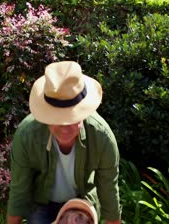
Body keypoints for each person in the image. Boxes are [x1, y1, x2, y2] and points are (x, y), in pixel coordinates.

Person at [7, 61, 122, 224]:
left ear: (84, 112)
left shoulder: (102, 137)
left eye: (72, 118)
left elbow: (109, 192)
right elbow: (19, 191)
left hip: (82, 200)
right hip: (42, 203)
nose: (65, 127)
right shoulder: (26, 135)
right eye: (57, 118)